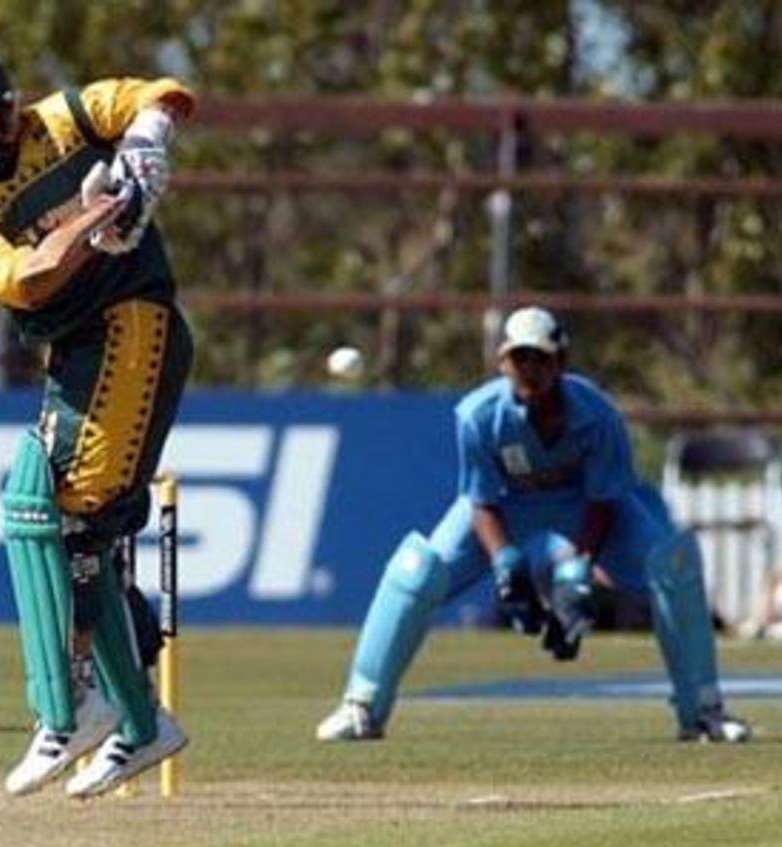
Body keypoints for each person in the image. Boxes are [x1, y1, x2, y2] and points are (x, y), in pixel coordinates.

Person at [0, 47, 194, 798]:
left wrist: (144, 147)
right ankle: (128, 717)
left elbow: (164, 92)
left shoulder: (63, 120)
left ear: (8, 112)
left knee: (69, 520)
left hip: (134, 324)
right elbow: (29, 279)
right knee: (39, 507)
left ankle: (77, 708)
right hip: (73, 348)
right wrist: (105, 211)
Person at [316, 306, 751, 744]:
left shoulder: (598, 415)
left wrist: (576, 572)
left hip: (584, 504)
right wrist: (506, 563)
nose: (529, 369)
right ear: (503, 363)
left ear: (560, 362)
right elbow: (481, 500)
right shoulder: (478, 416)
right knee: (416, 571)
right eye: (519, 358)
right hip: (506, 506)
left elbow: (605, 499)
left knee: (674, 565)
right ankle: (362, 705)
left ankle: (703, 712)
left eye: (540, 358)